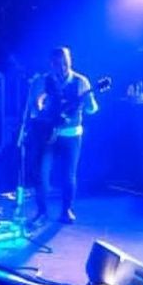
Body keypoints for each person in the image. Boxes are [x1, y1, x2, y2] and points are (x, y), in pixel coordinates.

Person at [30, 46, 99, 224]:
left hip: (71, 135)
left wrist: (84, 102)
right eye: (57, 64)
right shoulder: (43, 81)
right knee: (41, 173)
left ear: (70, 62)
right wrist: (41, 110)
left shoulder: (81, 81)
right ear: (51, 64)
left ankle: (66, 210)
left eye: (65, 64)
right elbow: (34, 107)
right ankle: (42, 211)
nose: (61, 68)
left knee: (68, 174)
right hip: (47, 134)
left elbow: (92, 109)